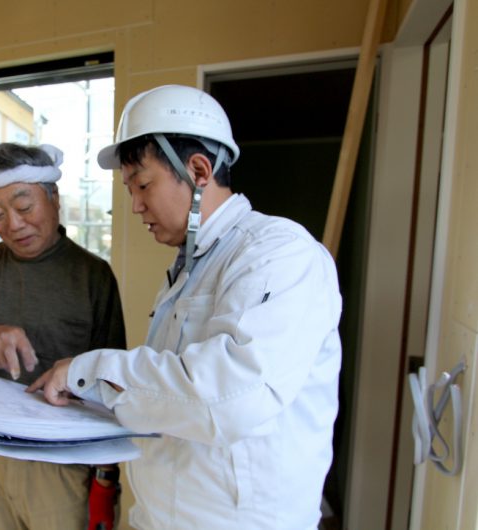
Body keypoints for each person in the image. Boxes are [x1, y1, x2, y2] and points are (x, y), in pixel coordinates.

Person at [28, 85, 343, 529]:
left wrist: (90, 371)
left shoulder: (279, 254)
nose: (135, 205)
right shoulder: (191, 268)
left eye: (142, 184)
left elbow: (229, 396)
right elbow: (169, 399)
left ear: (198, 170)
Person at [0, 142, 126, 530]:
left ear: (54, 198)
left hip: (58, 465)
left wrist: (106, 477)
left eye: (23, 208)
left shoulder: (92, 276)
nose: (12, 225)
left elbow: (114, 382)